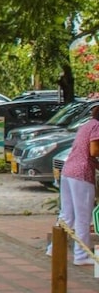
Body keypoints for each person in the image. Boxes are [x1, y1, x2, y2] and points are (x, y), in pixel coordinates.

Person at [49, 105, 99, 266]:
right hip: (82, 174)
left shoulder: (86, 125)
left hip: (68, 171)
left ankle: (53, 248)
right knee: (83, 216)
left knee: (67, 215)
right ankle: (81, 255)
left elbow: (85, 153)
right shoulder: (97, 126)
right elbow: (93, 151)